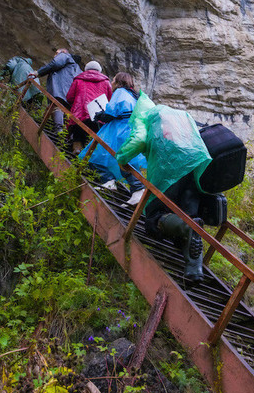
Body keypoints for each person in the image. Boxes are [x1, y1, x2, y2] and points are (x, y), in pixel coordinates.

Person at [116, 93, 212, 281]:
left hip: (169, 170)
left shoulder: (148, 117)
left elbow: (139, 140)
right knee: (188, 216)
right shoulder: (181, 116)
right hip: (196, 169)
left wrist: (121, 158)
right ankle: (194, 271)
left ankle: (187, 227)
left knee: (153, 218)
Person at [78, 72, 147, 204]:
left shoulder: (120, 92)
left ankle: (109, 181)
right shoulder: (134, 95)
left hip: (118, 130)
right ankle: (137, 190)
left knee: (93, 153)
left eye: (113, 80)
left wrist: (100, 115)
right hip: (131, 129)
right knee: (126, 159)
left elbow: (111, 111)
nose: (111, 83)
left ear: (118, 82)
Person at [29, 48, 82, 133]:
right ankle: (64, 136)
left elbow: (55, 64)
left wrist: (38, 73)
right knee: (66, 111)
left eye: (57, 53)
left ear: (64, 52)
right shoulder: (77, 68)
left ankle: (59, 130)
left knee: (57, 106)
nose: (55, 55)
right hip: (71, 93)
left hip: (61, 88)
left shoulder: (64, 56)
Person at [65, 61, 112, 153]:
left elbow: (69, 97)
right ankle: (90, 155)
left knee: (78, 132)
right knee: (96, 136)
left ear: (86, 69)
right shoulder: (106, 82)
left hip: (81, 113)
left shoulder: (78, 80)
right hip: (99, 114)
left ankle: (77, 149)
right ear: (99, 70)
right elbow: (109, 100)